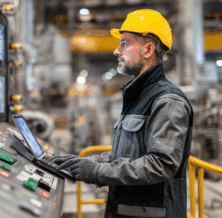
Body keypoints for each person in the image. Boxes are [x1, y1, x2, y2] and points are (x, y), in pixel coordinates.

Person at [51, 9, 193, 218]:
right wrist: (90, 163)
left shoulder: (166, 101)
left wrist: (96, 172)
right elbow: (130, 156)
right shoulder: (139, 97)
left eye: (124, 44)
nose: (117, 51)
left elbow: (161, 165)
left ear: (148, 50)